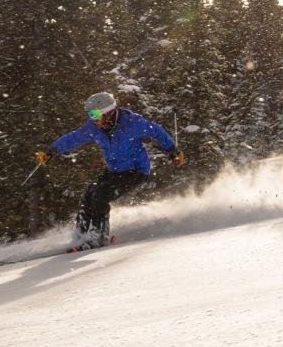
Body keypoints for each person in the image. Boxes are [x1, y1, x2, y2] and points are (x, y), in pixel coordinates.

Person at [35, 92, 184, 250]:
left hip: (136, 171)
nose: (93, 118)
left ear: (109, 111)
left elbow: (156, 131)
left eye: (95, 114)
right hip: (114, 171)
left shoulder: (132, 123)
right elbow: (73, 138)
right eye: (90, 114)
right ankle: (81, 234)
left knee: (101, 195)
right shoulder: (94, 128)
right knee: (89, 194)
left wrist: (172, 151)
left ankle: (98, 237)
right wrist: (51, 151)